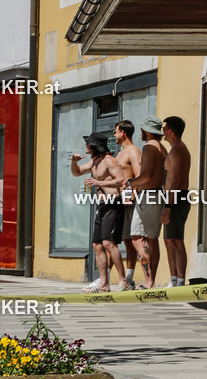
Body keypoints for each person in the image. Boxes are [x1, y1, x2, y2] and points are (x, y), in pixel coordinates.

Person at [71, 132, 129, 292]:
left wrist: (98, 182)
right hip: (102, 205)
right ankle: (104, 283)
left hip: (113, 204)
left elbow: (121, 180)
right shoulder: (94, 162)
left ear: (94, 146)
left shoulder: (109, 161)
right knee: (97, 245)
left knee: (108, 243)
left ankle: (123, 281)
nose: (86, 146)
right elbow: (76, 172)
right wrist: (73, 162)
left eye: (88, 144)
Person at [124, 117, 167, 288]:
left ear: (146, 131)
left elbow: (147, 176)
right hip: (152, 195)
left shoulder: (149, 147)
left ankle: (150, 281)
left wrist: (130, 183)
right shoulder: (162, 148)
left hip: (150, 195)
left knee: (149, 239)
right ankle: (149, 279)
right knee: (138, 238)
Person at [161, 116, 191, 285]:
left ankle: (180, 280)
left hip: (177, 199)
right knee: (169, 240)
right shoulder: (175, 149)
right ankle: (174, 278)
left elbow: (177, 181)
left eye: (164, 129)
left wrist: (168, 205)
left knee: (177, 240)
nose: (163, 132)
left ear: (170, 131)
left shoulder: (179, 150)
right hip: (172, 198)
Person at [114, 119, 141, 288]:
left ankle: (129, 277)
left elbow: (138, 175)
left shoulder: (133, 151)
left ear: (123, 133)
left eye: (115, 132)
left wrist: (132, 195)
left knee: (132, 240)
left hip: (129, 201)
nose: (114, 135)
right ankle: (126, 278)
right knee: (124, 239)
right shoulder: (119, 153)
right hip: (119, 200)